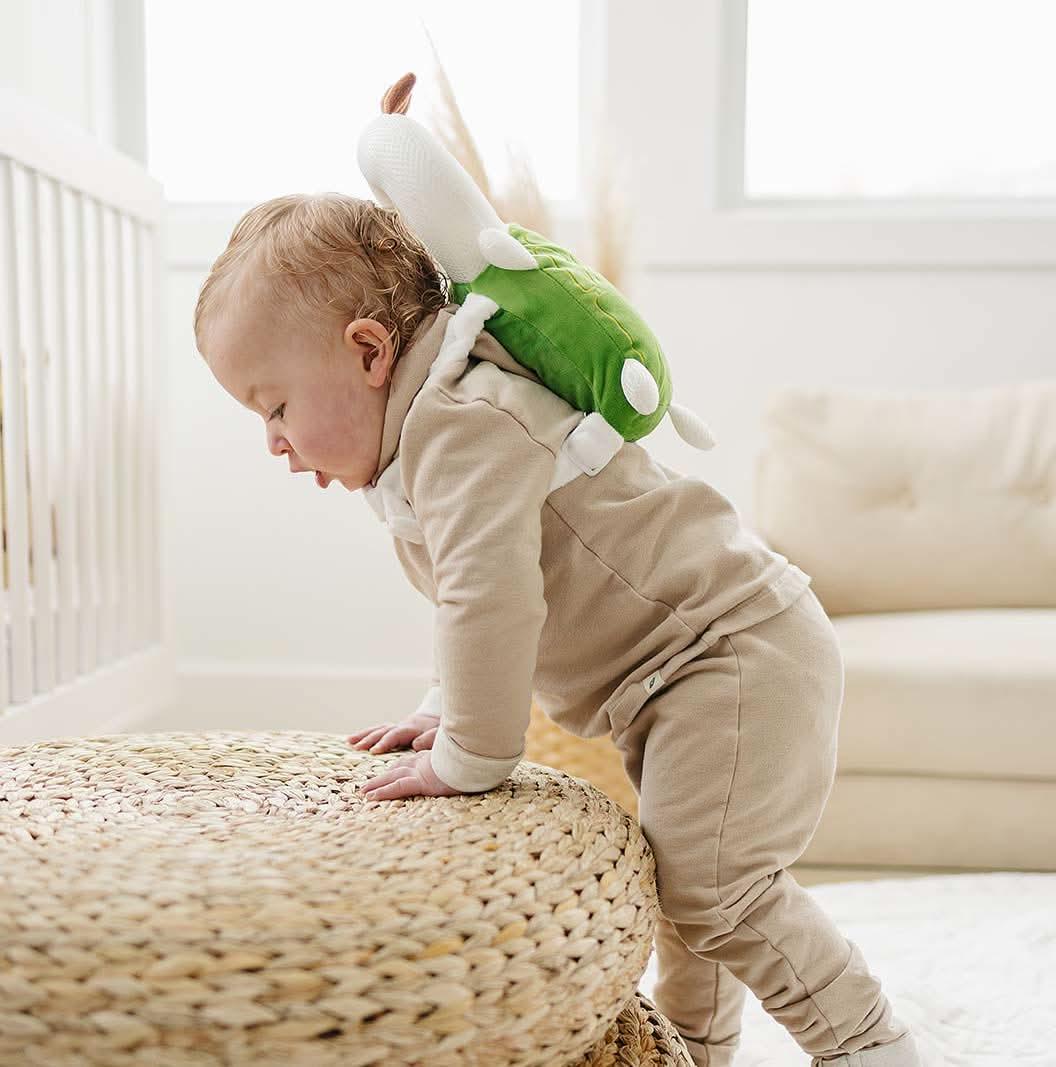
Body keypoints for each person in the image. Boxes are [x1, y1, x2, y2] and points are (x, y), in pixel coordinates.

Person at [194, 191, 921, 1067]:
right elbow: (477, 592)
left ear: (367, 351)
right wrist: (441, 701)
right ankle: (696, 1041)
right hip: (694, 666)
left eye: (274, 407)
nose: (273, 442)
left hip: (730, 650)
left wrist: (466, 752)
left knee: (718, 889)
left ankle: (868, 1043)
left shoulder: (464, 422)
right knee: (688, 874)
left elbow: (491, 597)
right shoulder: (429, 435)